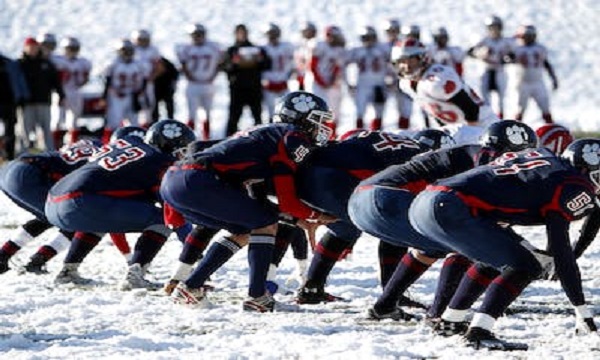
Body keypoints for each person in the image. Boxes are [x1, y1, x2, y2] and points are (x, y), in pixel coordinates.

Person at [408, 139, 600, 349]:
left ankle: (451, 321)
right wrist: (581, 308)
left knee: (495, 258)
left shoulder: (548, 163)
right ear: (586, 167)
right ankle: (479, 332)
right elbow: (560, 248)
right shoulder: (574, 184)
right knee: (526, 265)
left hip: (425, 203)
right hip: (451, 206)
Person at [161, 91, 335, 312]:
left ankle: (191, 286)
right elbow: (287, 201)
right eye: (317, 120)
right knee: (265, 224)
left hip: (176, 180)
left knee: (248, 229)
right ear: (301, 118)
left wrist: (299, 219)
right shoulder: (291, 136)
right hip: (198, 179)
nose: (321, 128)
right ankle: (257, 296)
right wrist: (317, 216)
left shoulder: (266, 134)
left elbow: (264, 201)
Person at [348, 120, 538, 321]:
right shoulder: (486, 160)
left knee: (432, 248)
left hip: (362, 200)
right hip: (388, 197)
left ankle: (385, 306)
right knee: (466, 243)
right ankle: (439, 314)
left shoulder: (471, 153)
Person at [45, 120, 195, 288]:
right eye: (182, 151)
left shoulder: (128, 144)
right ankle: (136, 274)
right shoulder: (159, 161)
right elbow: (172, 213)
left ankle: (68, 270)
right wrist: (194, 253)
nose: (183, 157)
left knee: (100, 217)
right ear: (169, 146)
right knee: (162, 220)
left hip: (53, 201)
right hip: (81, 201)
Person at [294, 129, 429, 304]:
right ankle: (392, 296)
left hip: (309, 170)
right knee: (395, 228)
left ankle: (311, 288)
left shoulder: (400, 143)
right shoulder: (423, 160)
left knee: (344, 228)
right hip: (330, 176)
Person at [0, 138, 100, 274]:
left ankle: (5, 255)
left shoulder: (93, 143)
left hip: (10, 169)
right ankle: (38, 260)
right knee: (72, 220)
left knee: (48, 217)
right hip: (30, 173)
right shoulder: (103, 156)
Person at [390, 38, 499, 144]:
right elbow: (436, 112)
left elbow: (470, 108)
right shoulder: (405, 84)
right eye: (402, 61)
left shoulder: (437, 80)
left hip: (482, 123)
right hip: (457, 127)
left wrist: (472, 136)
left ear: (423, 58)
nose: (407, 66)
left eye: (411, 61)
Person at [221, 24, 270, 136]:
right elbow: (224, 67)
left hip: (254, 87)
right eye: (240, 33)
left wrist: (259, 60)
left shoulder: (256, 49)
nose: (242, 35)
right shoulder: (231, 50)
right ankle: (227, 141)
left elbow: (267, 65)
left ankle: (261, 141)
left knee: (257, 117)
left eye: (244, 33)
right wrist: (234, 63)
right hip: (237, 89)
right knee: (234, 117)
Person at [18, 37, 65, 151]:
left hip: (43, 101)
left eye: (35, 47)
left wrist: (61, 94)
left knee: (46, 129)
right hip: (26, 103)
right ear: (25, 48)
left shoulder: (46, 63)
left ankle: (48, 152)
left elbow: (55, 81)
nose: (33, 50)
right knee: (24, 130)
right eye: (30, 47)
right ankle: (22, 153)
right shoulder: (20, 64)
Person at [176, 24, 222, 139]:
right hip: (193, 84)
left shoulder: (213, 47)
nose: (197, 37)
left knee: (207, 114)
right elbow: (183, 65)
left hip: (208, 84)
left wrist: (213, 76)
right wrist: (190, 76)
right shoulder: (186, 48)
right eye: (195, 34)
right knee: (192, 114)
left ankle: (206, 138)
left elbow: (221, 63)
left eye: (199, 34)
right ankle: (188, 139)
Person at [467, 15, 514, 118]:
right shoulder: (483, 40)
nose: (494, 30)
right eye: (492, 27)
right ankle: (488, 119)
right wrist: (480, 54)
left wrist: (506, 60)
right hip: (486, 70)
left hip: (499, 71)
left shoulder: (506, 41)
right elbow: (469, 52)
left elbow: (512, 56)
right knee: (485, 99)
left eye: (496, 27)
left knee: (500, 99)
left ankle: (500, 119)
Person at [101, 39, 148, 143]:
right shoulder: (113, 64)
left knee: (134, 123)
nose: (127, 53)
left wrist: (140, 94)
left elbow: (144, 80)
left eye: (129, 50)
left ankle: (135, 145)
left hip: (133, 95)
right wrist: (105, 97)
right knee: (114, 123)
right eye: (124, 50)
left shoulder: (138, 64)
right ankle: (108, 145)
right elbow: (107, 81)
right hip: (117, 96)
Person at [510, 25, 558, 124]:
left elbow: (546, 63)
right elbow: (506, 59)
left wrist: (554, 79)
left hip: (537, 82)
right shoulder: (516, 48)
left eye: (531, 35)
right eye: (526, 35)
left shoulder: (540, 48)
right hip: (522, 83)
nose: (529, 38)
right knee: (520, 110)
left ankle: (551, 130)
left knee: (545, 108)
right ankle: (514, 132)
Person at [304, 25, 346, 136]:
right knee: (317, 109)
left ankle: (332, 135)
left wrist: (331, 81)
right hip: (316, 82)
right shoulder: (318, 45)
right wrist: (321, 81)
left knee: (334, 111)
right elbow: (312, 65)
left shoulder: (339, 49)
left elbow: (337, 68)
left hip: (331, 83)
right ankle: (315, 135)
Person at [345, 26, 389, 130]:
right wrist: (350, 82)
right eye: (365, 37)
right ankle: (358, 136)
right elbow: (345, 66)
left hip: (379, 84)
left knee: (378, 113)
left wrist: (390, 79)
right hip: (362, 85)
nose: (368, 40)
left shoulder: (382, 49)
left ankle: (376, 136)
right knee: (359, 113)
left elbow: (392, 65)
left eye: (370, 37)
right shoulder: (356, 50)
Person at [51, 37, 92, 146]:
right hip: (60, 92)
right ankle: (54, 145)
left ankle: (71, 145)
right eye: (69, 48)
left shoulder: (83, 62)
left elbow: (85, 79)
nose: (72, 51)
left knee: (73, 120)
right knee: (56, 119)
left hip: (76, 91)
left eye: (74, 48)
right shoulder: (57, 60)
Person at [381, 19, 413, 130]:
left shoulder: (403, 45)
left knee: (405, 110)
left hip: (401, 80)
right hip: (383, 82)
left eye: (394, 30)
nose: (392, 33)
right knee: (378, 111)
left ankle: (403, 137)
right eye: (390, 31)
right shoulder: (380, 46)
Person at [261, 23, 295, 122]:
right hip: (268, 82)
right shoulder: (263, 48)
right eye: (270, 34)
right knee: (270, 111)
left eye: (274, 33)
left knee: (285, 110)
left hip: (283, 81)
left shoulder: (287, 46)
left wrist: (289, 75)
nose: (272, 36)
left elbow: (293, 63)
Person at [0, 51, 29, 160]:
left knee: (10, 131)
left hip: (9, 102)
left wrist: (23, 96)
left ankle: (9, 155)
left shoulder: (9, 63)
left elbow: (19, 80)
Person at [131, 29, 163, 126]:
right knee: (131, 108)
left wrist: (150, 78)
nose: (143, 42)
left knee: (148, 106)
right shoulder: (132, 50)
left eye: (145, 39)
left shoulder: (153, 50)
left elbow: (159, 67)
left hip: (147, 82)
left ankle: (145, 128)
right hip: (132, 84)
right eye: (141, 39)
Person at [152, 56, 179, 123]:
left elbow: (175, 75)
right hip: (155, 90)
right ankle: (154, 123)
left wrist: (173, 87)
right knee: (154, 109)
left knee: (169, 108)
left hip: (166, 89)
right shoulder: (149, 63)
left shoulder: (168, 65)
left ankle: (171, 122)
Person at [294, 21, 317, 91]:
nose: (307, 34)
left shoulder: (316, 45)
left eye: (310, 31)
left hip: (312, 77)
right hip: (300, 77)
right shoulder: (298, 46)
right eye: (306, 31)